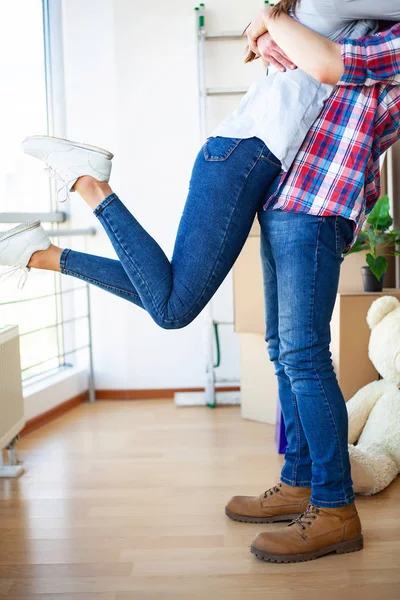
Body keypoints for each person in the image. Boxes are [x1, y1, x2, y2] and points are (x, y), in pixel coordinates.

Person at [0, 1, 372, 319]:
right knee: (172, 309)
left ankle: (43, 254)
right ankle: (87, 187)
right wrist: (263, 21)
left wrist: (261, 22)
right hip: (245, 153)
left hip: (242, 154)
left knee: (169, 299)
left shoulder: (302, 12)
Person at [225, 4, 400, 563]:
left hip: (320, 202)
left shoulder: (385, 42)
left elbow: (329, 63)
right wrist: (265, 24)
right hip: (285, 194)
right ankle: (300, 479)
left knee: (303, 353)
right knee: (283, 349)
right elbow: (273, 39)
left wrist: (272, 22)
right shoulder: (342, 22)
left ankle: (334, 509)